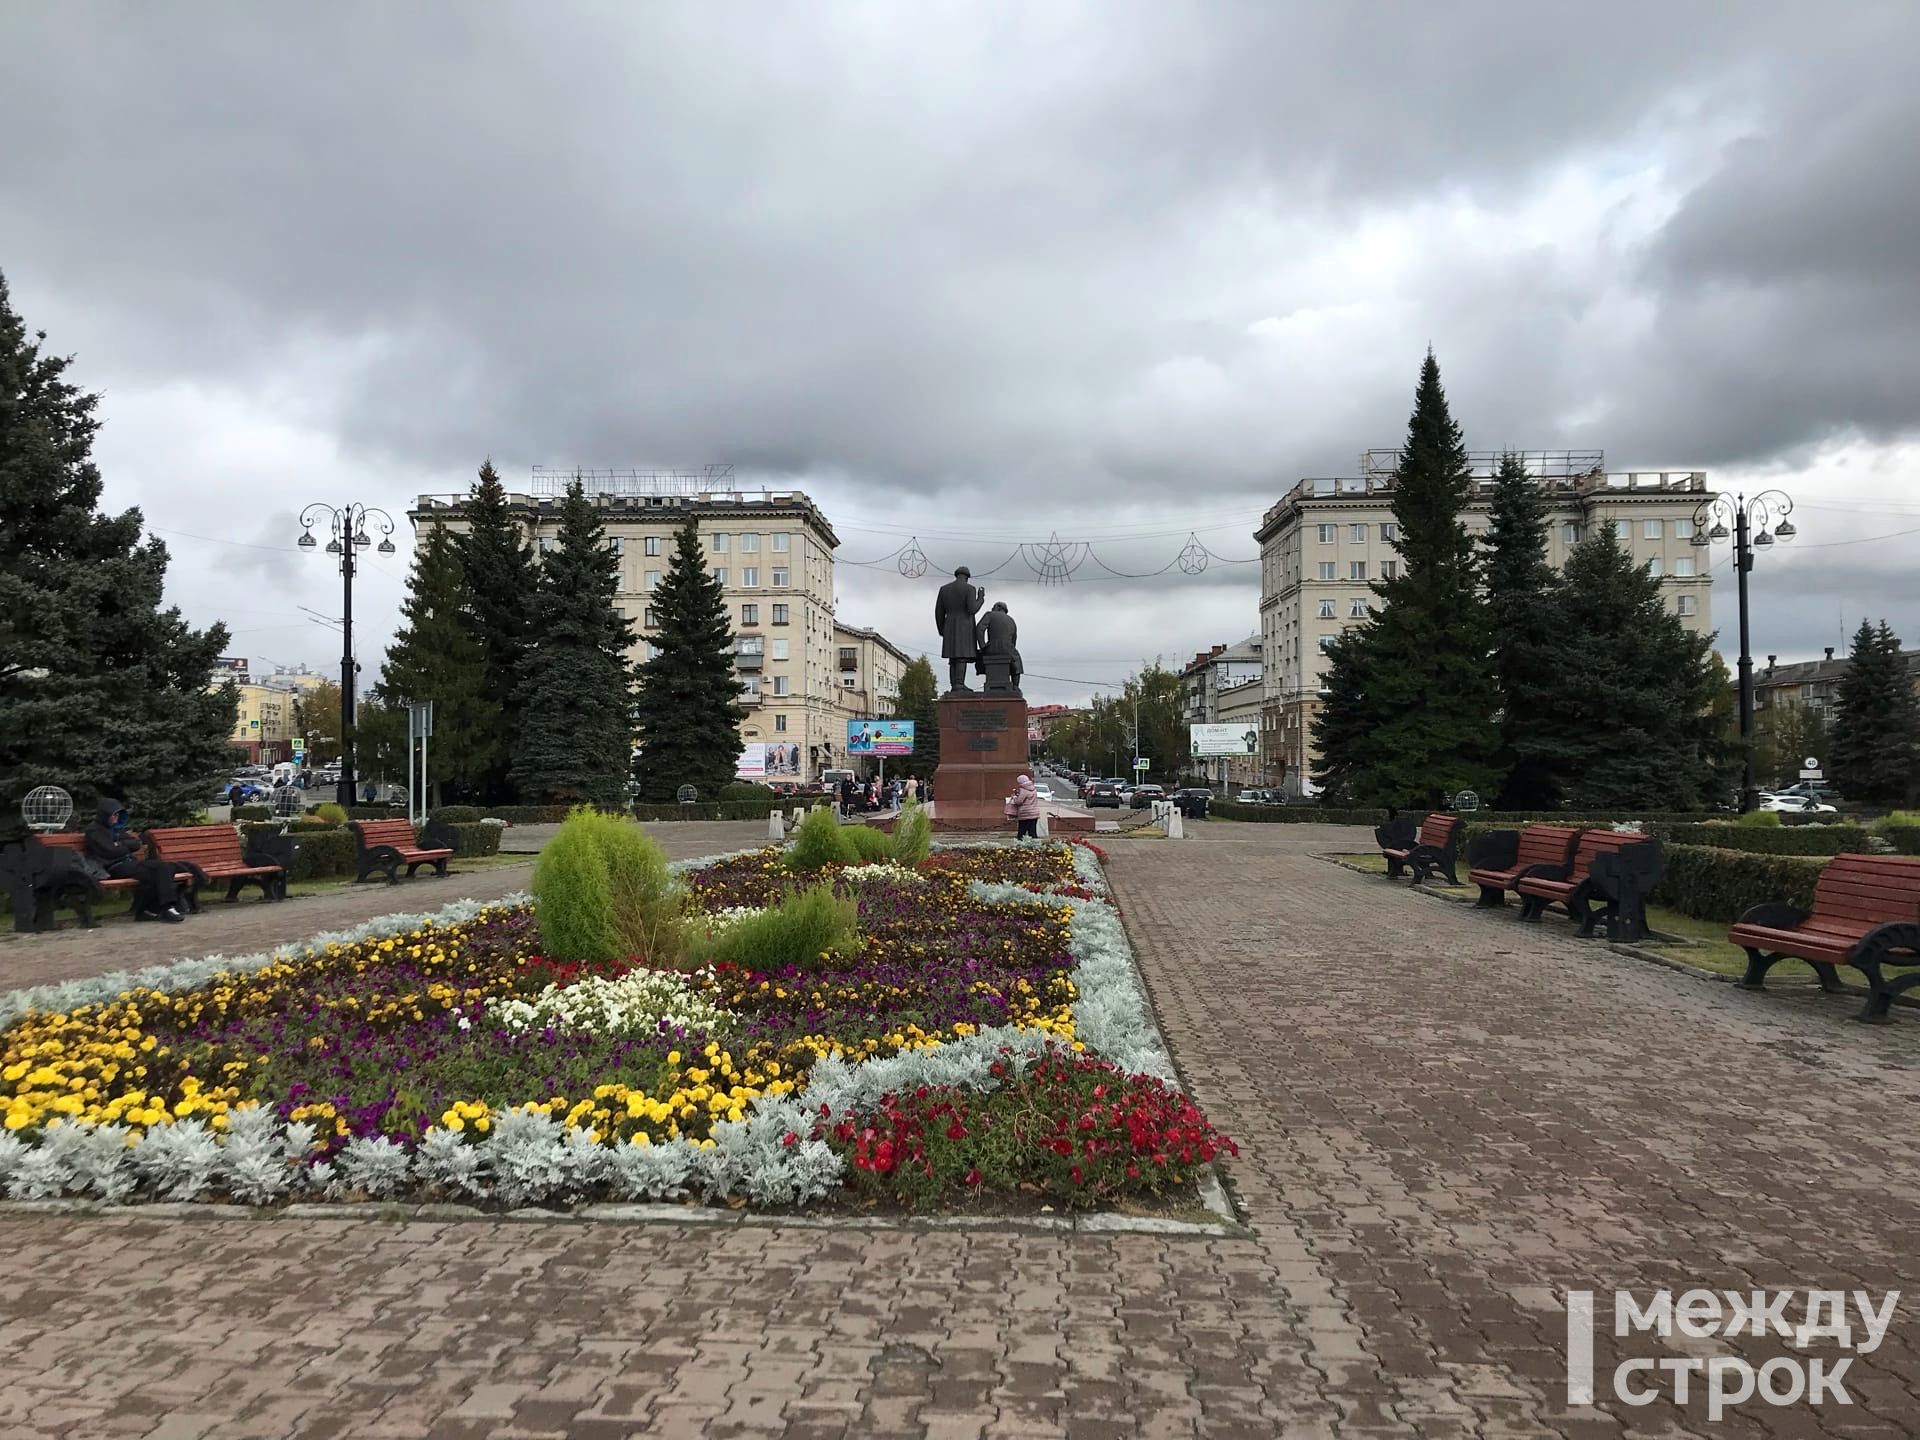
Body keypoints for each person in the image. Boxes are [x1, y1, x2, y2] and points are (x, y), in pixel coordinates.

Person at [83, 798, 191, 923]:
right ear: (105, 814)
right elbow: (110, 851)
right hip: (114, 867)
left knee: (162, 870)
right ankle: (167, 908)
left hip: (129, 863)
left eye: (117, 815)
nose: (116, 818)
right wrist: (122, 846)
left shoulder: (117, 829)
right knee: (160, 868)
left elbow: (136, 844)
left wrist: (119, 844)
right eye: (113, 815)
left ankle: (146, 910)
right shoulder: (94, 830)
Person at [1005, 774, 1044, 840]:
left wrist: (1014, 798)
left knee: (1021, 833)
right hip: (1034, 813)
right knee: (1032, 832)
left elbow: (1019, 801)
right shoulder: (1033, 789)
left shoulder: (1023, 790)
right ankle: (1035, 846)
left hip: (1025, 814)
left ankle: (1020, 847)